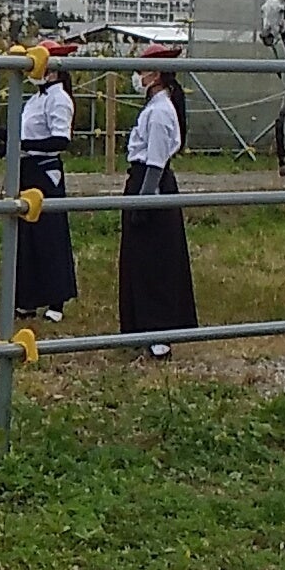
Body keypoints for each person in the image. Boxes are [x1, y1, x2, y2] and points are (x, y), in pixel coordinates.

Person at [118, 49, 196, 355]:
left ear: (157, 75)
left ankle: (159, 330)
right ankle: (140, 326)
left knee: (156, 259)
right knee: (139, 258)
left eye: (143, 70)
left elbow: (157, 158)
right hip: (141, 180)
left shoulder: (162, 110)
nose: (138, 76)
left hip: (152, 183)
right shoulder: (153, 107)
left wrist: (146, 197)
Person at [10, 41, 81, 323]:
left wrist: (22, 144)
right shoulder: (36, 98)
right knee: (28, 236)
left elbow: (60, 140)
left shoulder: (59, 98)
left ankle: (56, 299)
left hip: (46, 171)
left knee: (50, 235)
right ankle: (28, 297)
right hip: (28, 167)